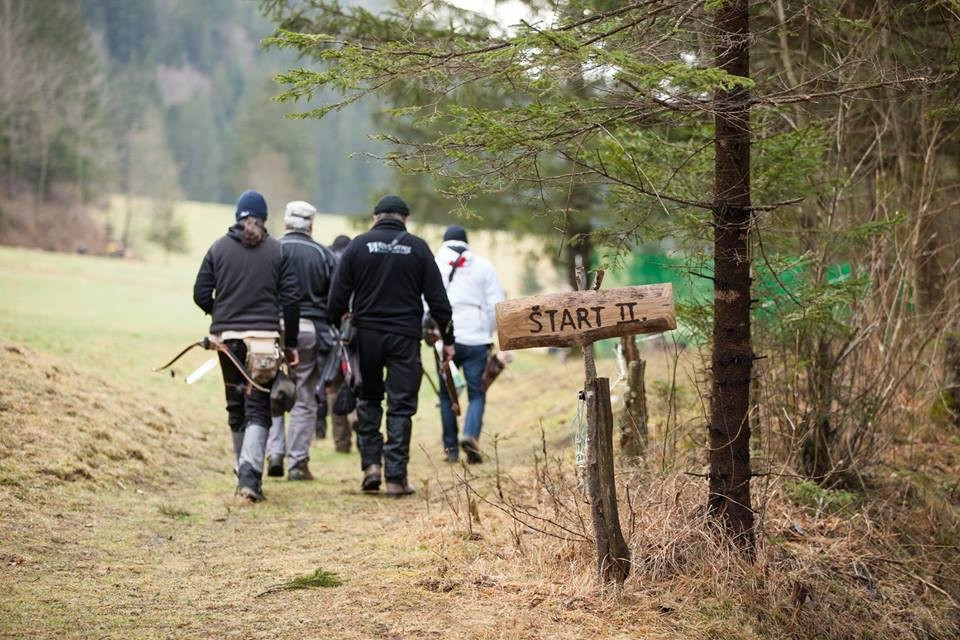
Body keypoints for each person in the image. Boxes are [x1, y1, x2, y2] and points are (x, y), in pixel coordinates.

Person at [327, 195, 454, 497]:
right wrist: (448, 341)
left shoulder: (358, 246)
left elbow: (335, 299)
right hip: (404, 339)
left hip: (366, 338)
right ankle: (396, 478)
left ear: (376, 217)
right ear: (404, 219)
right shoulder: (419, 248)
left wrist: (340, 323)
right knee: (400, 407)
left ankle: (371, 467)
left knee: (369, 399)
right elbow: (439, 302)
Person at [193, 190, 300, 502]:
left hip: (226, 342)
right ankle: (250, 479)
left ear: (237, 216)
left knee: (235, 404)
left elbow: (200, 293)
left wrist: (220, 312)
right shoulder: (277, 251)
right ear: (264, 219)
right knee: (258, 408)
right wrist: (290, 344)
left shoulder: (218, 248)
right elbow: (291, 300)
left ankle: (244, 473)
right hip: (264, 343)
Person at [265, 201, 338, 480]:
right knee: (305, 397)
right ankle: (297, 462)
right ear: (311, 225)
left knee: (270, 392)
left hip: (272, 329)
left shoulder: (271, 250)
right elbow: (335, 297)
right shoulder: (323, 255)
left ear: (285, 222)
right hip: (311, 330)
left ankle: (274, 453)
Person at [433, 225, 505, 464]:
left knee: (447, 396)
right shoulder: (483, 266)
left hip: (445, 340)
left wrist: (433, 332)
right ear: (467, 242)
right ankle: (471, 436)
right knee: (477, 392)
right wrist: (486, 331)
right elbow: (496, 305)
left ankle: (450, 450)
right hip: (476, 339)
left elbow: (426, 302)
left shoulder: (435, 264)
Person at [315, 233, 355, 453]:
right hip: (355, 332)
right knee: (358, 381)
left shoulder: (326, 261)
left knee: (333, 387)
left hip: (330, 334)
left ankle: (341, 442)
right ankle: (357, 416)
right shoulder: (356, 263)